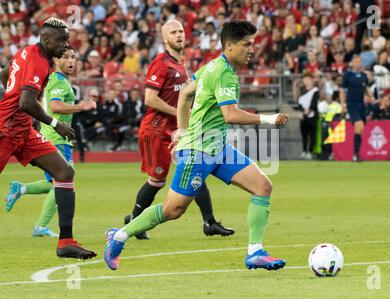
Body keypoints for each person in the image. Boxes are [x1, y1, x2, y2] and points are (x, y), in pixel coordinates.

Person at [104, 20, 289, 271]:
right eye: (246, 44)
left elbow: (185, 94)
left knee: (262, 186)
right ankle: (118, 237)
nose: (251, 50)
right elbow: (230, 115)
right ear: (230, 46)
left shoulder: (211, 66)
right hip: (198, 150)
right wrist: (269, 118)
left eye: (252, 44)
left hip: (218, 147)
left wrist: (181, 129)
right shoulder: (223, 72)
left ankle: (255, 252)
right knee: (172, 210)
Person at [122, 20, 234, 240]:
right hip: (156, 130)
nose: (179, 35)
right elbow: (150, 99)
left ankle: (209, 222)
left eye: (181, 31)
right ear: (165, 39)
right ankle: (134, 221)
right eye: (173, 32)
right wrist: (179, 113)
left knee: (196, 167)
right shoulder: (160, 63)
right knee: (157, 180)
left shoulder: (181, 63)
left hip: (177, 130)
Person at [0, 18, 96, 259]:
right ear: (46, 39)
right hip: (5, 130)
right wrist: (55, 123)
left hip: (23, 130)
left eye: (68, 39)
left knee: (64, 173)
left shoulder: (25, 52)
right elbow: (26, 101)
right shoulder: (38, 62)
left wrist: (12, 101)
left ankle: (65, 243)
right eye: (62, 40)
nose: (66, 45)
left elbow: (5, 75)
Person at [340, 55, 372, 161]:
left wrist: (371, 97)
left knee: (360, 129)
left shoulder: (363, 76)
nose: (358, 64)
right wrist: (342, 105)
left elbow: (366, 88)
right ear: (352, 63)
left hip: (361, 105)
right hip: (351, 104)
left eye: (359, 62)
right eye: (356, 62)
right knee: (359, 125)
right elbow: (342, 90)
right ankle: (355, 155)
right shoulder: (348, 75)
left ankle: (356, 153)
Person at [297, 72, 319, 160]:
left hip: (312, 116)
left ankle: (310, 151)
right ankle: (304, 151)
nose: (306, 82)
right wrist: (303, 112)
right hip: (303, 116)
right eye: (305, 80)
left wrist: (308, 111)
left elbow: (314, 103)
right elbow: (299, 103)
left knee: (312, 135)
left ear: (312, 80)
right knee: (304, 135)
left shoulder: (315, 90)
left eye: (308, 80)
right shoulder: (302, 91)